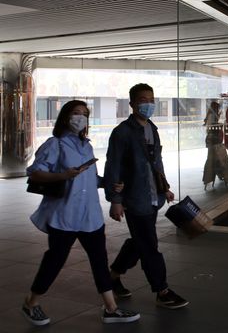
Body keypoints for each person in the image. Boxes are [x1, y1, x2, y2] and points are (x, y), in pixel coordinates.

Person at [23, 100, 140, 325]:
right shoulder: (54, 144)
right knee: (55, 260)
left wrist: (108, 183)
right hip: (63, 215)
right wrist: (62, 176)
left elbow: (88, 179)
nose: (81, 118)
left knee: (99, 260)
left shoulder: (86, 145)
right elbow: (35, 173)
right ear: (66, 116)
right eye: (76, 113)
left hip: (90, 215)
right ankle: (31, 302)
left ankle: (111, 308)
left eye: (85, 114)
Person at [104, 83, 188, 309]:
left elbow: (156, 163)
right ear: (132, 103)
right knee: (149, 245)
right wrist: (115, 200)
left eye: (151, 99)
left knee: (139, 241)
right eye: (142, 100)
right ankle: (162, 290)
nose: (148, 104)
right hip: (135, 199)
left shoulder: (152, 128)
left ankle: (112, 276)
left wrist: (165, 188)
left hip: (152, 197)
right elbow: (113, 167)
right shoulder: (122, 132)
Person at [202, 100, 228, 190]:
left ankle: (216, 177)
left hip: (214, 140)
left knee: (214, 160)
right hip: (214, 141)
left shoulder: (212, 115)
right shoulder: (212, 116)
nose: (218, 109)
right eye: (217, 108)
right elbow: (212, 128)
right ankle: (217, 177)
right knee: (216, 159)